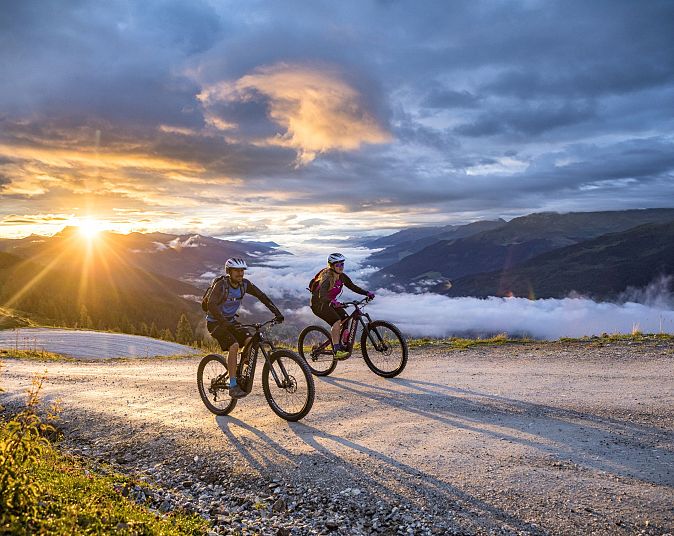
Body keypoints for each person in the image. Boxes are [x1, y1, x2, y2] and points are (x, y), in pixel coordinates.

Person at [206, 258, 284, 398]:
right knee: (234, 345)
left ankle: (240, 369)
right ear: (229, 272)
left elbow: (262, 296)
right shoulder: (221, 285)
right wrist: (223, 322)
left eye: (242, 270)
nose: (240, 273)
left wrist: (277, 312)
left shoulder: (245, 284)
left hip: (230, 321)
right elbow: (211, 304)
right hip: (215, 322)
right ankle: (233, 384)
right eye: (236, 270)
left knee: (250, 340)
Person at [310, 253, 375, 360]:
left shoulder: (342, 277)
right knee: (336, 321)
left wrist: (367, 293)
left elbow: (353, 286)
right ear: (331, 266)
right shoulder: (327, 278)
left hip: (330, 302)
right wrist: (333, 302)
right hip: (319, 305)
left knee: (345, 318)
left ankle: (340, 341)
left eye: (342, 264)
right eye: (338, 265)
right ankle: (336, 350)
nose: (341, 267)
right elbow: (322, 296)